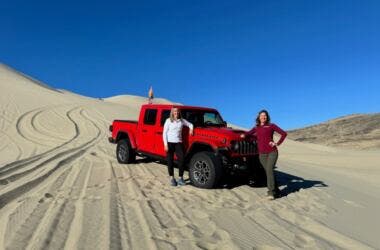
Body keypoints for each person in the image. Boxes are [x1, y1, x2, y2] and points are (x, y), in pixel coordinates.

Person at [245, 110, 287, 200]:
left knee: (269, 170)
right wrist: (242, 135)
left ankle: (271, 192)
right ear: (259, 117)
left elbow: (284, 134)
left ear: (267, 117)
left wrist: (277, 143)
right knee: (268, 172)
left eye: (265, 115)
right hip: (262, 154)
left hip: (272, 152)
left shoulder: (271, 126)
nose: (263, 117)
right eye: (261, 115)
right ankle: (277, 191)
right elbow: (248, 134)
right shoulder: (256, 127)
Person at [163, 107, 194, 186]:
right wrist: (165, 145)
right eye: (174, 111)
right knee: (170, 161)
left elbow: (190, 124)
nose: (176, 112)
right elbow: (164, 133)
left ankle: (180, 178)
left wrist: (191, 129)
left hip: (178, 143)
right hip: (170, 143)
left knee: (182, 159)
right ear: (172, 112)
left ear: (179, 112)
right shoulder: (168, 120)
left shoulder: (182, 121)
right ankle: (172, 178)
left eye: (177, 111)